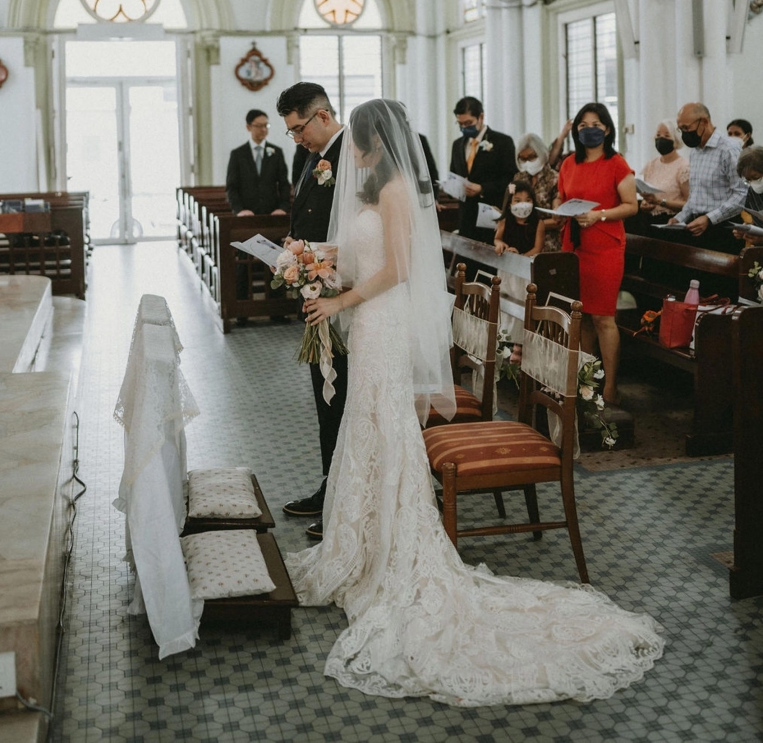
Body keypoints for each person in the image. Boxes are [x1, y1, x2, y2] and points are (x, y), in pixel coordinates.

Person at [288, 98, 663, 705]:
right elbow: (363, 257)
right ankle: (359, 542)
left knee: (384, 428)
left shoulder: (396, 193)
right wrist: (315, 265)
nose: (350, 155)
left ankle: (392, 548)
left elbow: (400, 269)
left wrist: (339, 301)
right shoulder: (366, 194)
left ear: (375, 145)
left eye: (356, 145)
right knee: (368, 432)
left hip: (380, 323)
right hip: (366, 324)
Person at [276, 82, 346, 540]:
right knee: (325, 394)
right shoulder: (308, 156)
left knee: (343, 397)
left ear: (321, 116)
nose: (297, 139)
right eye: (291, 133)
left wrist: (314, 256)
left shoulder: (353, 157)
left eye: (299, 129)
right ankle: (331, 484)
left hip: (344, 294)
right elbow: (305, 214)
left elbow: (357, 235)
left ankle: (344, 494)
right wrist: (293, 248)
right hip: (315, 288)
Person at [555, 103, 638, 406]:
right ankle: (588, 380)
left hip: (604, 246)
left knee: (603, 318)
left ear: (606, 129)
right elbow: (563, 200)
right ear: (576, 130)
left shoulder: (616, 163)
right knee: (582, 316)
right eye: (583, 124)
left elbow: (631, 205)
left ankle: (611, 386)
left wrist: (599, 215)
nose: (589, 129)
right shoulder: (568, 164)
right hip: (574, 244)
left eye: (596, 123)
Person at [668, 103, 747, 253]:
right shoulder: (695, 151)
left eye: (686, 128)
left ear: (704, 122)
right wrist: (680, 217)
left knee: (718, 276)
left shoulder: (729, 149)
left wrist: (709, 218)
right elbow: (695, 195)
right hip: (697, 226)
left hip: (724, 229)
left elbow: (742, 194)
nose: (684, 134)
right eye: (681, 129)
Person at [449, 96, 516, 244]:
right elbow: (454, 173)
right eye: (460, 124)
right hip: (466, 217)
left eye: (468, 123)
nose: (464, 128)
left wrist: (482, 188)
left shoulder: (502, 142)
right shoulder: (457, 145)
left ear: (480, 117)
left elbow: (510, 179)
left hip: (490, 216)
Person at [225, 110, 290, 217]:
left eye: (266, 125)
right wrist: (239, 210)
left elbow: (284, 184)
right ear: (248, 127)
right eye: (259, 126)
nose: (263, 129)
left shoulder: (276, 152)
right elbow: (232, 187)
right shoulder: (237, 154)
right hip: (246, 213)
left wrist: (282, 208)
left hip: (272, 213)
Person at [636, 120, 689, 228]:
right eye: (658, 135)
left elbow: (689, 204)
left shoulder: (684, 167)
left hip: (671, 222)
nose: (661, 138)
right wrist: (645, 204)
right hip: (648, 221)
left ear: (675, 140)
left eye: (666, 135)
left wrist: (660, 201)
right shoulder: (651, 165)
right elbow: (647, 196)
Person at [513, 133, 562, 251]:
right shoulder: (518, 178)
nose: (528, 162)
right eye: (523, 159)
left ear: (541, 154)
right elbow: (510, 201)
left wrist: (532, 226)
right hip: (521, 242)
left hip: (548, 244)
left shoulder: (555, 179)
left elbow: (558, 221)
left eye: (532, 157)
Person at [494, 181, 545, 256]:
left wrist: (519, 258)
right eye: (517, 201)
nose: (523, 205)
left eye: (528, 200)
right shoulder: (504, 221)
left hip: (527, 263)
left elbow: (538, 248)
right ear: (509, 204)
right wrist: (500, 244)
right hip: (506, 262)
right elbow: (497, 239)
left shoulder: (538, 223)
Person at [732, 145, 763, 244]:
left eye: (755, 177)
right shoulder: (751, 193)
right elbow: (757, 220)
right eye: (748, 180)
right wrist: (747, 229)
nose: (753, 182)